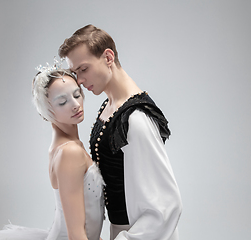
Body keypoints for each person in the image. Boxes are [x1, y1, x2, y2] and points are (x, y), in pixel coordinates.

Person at [0, 61, 105, 240]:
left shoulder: (65, 147)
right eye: (62, 101)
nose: (75, 104)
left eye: (77, 94)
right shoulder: (70, 152)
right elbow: (76, 234)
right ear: (46, 111)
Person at [58, 24, 182, 240]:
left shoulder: (135, 119)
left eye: (84, 69)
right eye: (75, 73)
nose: (79, 80)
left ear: (108, 57)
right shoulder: (109, 107)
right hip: (120, 231)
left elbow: (166, 206)